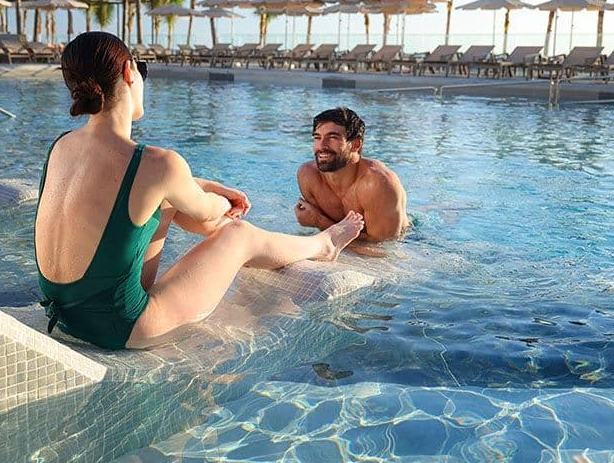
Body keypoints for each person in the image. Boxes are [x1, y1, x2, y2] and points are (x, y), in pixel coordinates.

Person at [34, 32, 364, 350]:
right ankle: (324, 244)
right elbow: (209, 215)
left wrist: (197, 186)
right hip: (119, 326)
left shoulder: (60, 147)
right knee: (239, 234)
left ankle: (268, 247)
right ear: (128, 72)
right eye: (141, 69)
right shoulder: (157, 164)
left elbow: (143, 192)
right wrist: (226, 201)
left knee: (165, 202)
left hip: (64, 316)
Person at [295, 107, 408, 247]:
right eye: (317, 138)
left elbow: (382, 248)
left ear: (355, 144)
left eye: (332, 137)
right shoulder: (309, 176)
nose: (321, 146)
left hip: (410, 241)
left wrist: (319, 221)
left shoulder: (378, 183)